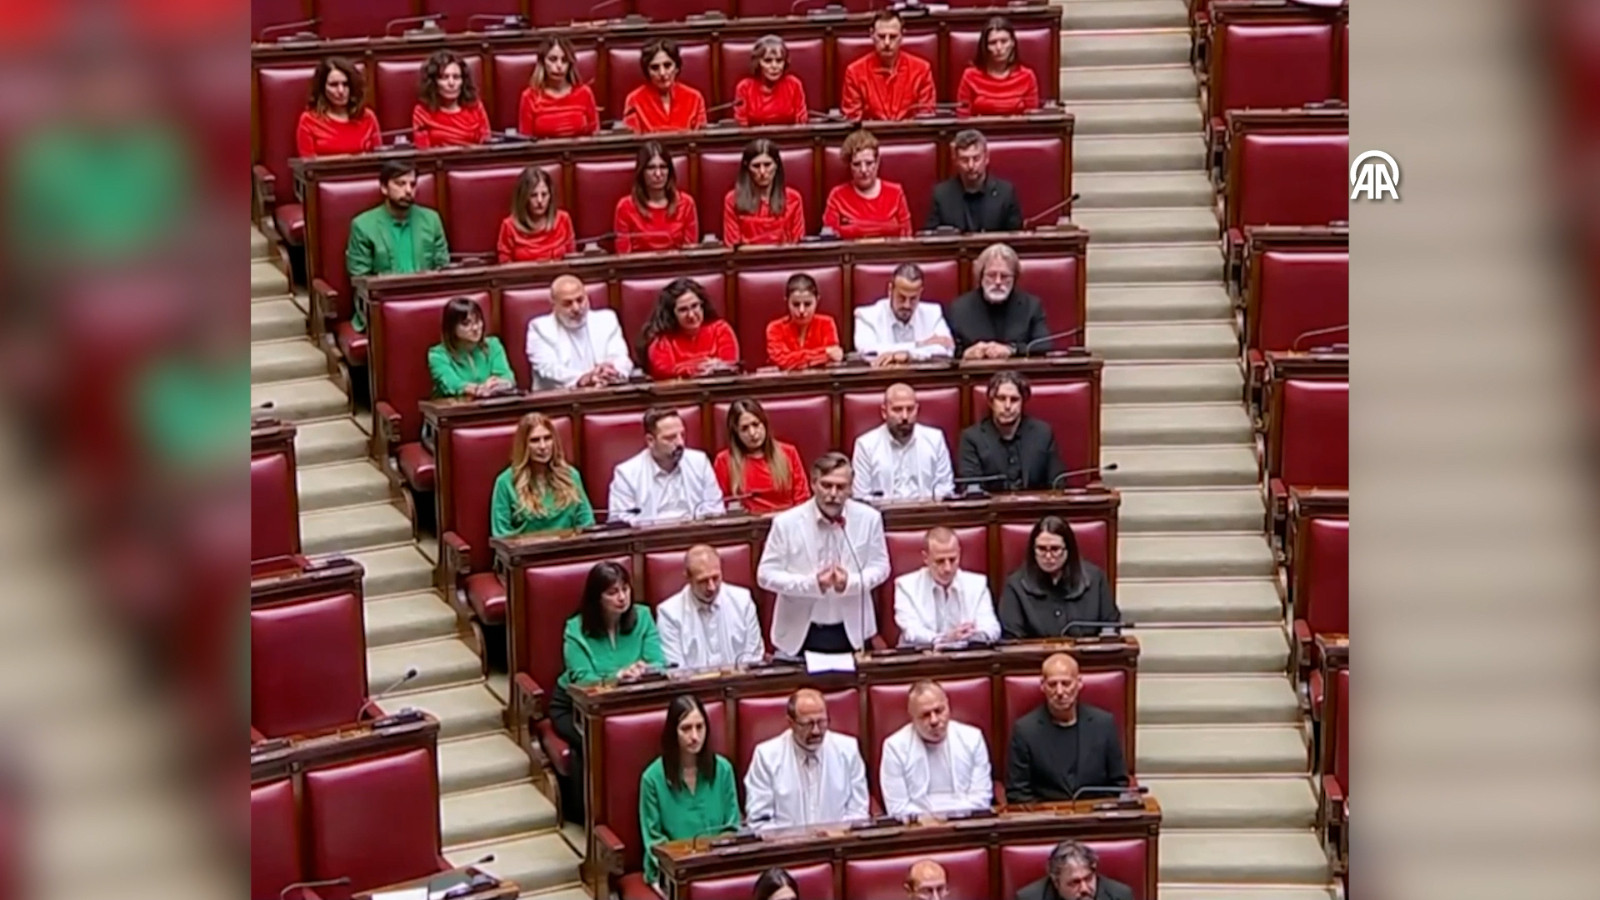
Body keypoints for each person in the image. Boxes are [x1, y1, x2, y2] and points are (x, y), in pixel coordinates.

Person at [550, 561, 665, 818]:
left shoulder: (643, 617)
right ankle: (593, 814)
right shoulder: (575, 630)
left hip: (631, 701)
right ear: (596, 598)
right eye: (612, 592)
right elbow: (583, 680)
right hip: (575, 707)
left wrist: (643, 671)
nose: (622, 597)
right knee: (594, 739)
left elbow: (658, 661)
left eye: (625, 589)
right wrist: (618, 676)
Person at [758, 453, 890, 655]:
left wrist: (851, 582)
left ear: (851, 487)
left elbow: (881, 567)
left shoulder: (869, 519)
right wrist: (811, 584)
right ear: (813, 483)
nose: (833, 494)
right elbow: (765, 575)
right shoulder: (786, 524)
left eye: (841, 487)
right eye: (826, 485)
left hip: (853, 631)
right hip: (799, 633)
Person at [639, 695, 741, 887]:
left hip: (717, 868)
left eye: (700, 727)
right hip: (672, 875)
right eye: (686, 728)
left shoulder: (723, 769)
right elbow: (654, 842)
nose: (694, 736)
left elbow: (732, 827)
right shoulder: (652, 779)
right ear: (672, 732)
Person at [1005, 654, 1128, 804]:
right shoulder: (1025, 730)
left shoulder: (1104, 724)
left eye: (1066, 683)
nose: (1060, 692)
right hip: (1047, 820)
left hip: (1095, 819)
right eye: (1052, 684)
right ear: (1042, 686)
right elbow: (1017, 793)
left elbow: (1119, 785)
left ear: (1079, 683)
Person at [345, 159, 448, 331]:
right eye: (400, 184)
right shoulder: (363, 225)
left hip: (427, 304)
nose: (408, 190)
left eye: (413, 184)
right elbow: (359, 278)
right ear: (384, 188)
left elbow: (443, 267)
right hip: (383, 309)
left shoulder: (432, 220)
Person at [744, 688, 869, 829]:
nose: (816, 731)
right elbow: (759, 821)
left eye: (821, 722)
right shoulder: (766, 757)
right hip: (785, 847)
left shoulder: (848, 750)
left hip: (838, 846)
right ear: (791, 723)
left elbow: (859, 813)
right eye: (808, 724)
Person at [879, 682, 993, 817]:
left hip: (966, 827)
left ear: (948, 706)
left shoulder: (972, 739)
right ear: (912, 717)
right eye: (925, 715)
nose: (934, 720)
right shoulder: (894, 748)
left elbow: (982, 799)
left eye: (939, 711)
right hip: (919, 832)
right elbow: (897, 808)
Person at [999, 517, 1117, 639]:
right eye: (1042, 549)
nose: (1048, 556)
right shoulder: (1015, 587)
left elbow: (1110, 625)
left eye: (1055, 549)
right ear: (1033, 550)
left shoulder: (1095, 579)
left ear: (1068, 550)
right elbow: (1012, 639)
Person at [655, 545, 766, 669]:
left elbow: (754, 656)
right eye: (703, 581)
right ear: (687, 578)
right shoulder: (669, 613)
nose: (711, 587)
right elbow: (676, 669)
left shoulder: (743, 601)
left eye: (716, 578)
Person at [608, 407, 724, 524]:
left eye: (682, 435)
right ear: (650, 441)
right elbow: (620, 521)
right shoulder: (626, 474)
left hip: (695, 536)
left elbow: (715, 509)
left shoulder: (699, 462)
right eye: (670, 438)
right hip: (650, 539)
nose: (680, 443)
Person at [956, 371, 1066, 492]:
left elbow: (1057, 484)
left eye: (1014, 400)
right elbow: (972, 490)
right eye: (1001, 399)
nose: (1007, 406)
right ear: (991, 402)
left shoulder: (1043, 434)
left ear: (1022, 402)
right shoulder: (972, 438)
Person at [490, 412, 596, 537]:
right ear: (524, 446)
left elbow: (587, 523)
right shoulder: (505, 482)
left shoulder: (571, 475)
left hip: (568, 552)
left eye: (547, 438)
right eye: (535, 440)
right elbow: (501, 534)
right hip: (525, 554)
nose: (543, 446)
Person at [892, 527, 1000, 646]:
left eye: (952, 560)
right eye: (940, 561)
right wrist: (945, 639)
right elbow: (912, 632)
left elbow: (992, 628)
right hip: (921, 661)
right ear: (925, 558)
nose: (947, 568)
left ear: (959, 553)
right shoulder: (906, 586)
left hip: (967, 659)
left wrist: (974, 634)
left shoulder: (977, 585)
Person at [525, 274, 632, 390]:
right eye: (567, 303)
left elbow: (621, 358)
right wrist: (583, 378)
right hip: (559, 401)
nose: (576, 308)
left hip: (604, 395)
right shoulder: (539, 328)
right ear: (554, 305)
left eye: (580, 300)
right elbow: (549, 369)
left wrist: (612, 370)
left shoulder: (607, 320)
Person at [850, 384, 954, 502]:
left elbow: (945, 487)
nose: (905, 416)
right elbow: (861, 495)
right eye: (897, 409)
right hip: (882, 515)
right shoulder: (865, 445)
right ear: (884, 412)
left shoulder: (935, 439)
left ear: (917, 409)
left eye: (910, 409)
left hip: (927, 514)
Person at [947, 243, 1052, 359]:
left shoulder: (1031, 306)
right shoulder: (959, 308)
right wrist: (966, 354)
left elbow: (1044, 345)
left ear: (1015, 278)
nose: (998, 282)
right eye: (991, 275)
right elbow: (949, 350)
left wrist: (1012, 350)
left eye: (1005, 276)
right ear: (981, 276)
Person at [712, 399, 811, 513]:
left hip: (788, 523)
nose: (752, 433)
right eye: (744, 428)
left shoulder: (789, 453)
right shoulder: (724, 461)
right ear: (736, 433)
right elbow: (720, 505)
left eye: (756, 424)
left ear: (764, 423)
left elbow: (802, 500)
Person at [840, 10, 936, 121]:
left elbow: (926, 117)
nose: (886, 43)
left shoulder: (921, 70)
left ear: (902, 35)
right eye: (881, 36)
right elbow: (853, 120)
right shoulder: (854, 72)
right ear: (871, 34)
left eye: (893, 37)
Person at [852, 264, 955, 365]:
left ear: (920, 292)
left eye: (913, 298)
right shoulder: (866, 316)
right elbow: (868, 352)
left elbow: (946, 349)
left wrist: (908, 355)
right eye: (902, 298)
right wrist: (920, 345)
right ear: (890, 290)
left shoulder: (933, 313)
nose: (907, 305)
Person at [639, 278, 740, 378]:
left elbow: (729, 366)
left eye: (695, 306)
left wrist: (683, 367)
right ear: (671, 314)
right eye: (683, 310)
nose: (691, 315)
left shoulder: (721, 329)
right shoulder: (661, 340)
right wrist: (702, 366)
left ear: (702, 306)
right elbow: (664, 372)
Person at [925, 130, 1023, 233]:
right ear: (956, 161)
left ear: (986, 158)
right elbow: (931, 238)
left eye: (976, 159)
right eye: (964, 160)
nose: (971, 166)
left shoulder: (1005, 192)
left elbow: (1015, 239)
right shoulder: (941, 194)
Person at [823, 130, 913, 240]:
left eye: (869, 163)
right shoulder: (837, 196)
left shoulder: (895, 193)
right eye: (857, 164)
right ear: (849, 165)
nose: (863, 170)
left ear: (878, 162)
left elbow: (907, 238)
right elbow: (830, 240)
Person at [615, 141, 700, 253]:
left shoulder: (686, 203)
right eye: (651, 168)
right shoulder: (625, 207)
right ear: (641, 172)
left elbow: (690, 254)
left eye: (663, 167)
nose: (658, 174)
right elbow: (623, 257)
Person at [427, 296, 515, 398]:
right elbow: (451, 384)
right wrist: (478, 389)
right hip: (454, 410)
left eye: (478, 321)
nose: (475, 328)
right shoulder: (437, 355)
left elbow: (507, 376)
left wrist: (499, 383)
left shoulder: (493, 345)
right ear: (451, 327)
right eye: (466, 324)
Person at [724, 139, 806, 246]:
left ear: (776, 165)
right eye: (756, 166)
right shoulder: (733, 200)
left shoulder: (794, 199)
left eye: (767, 165)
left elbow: (798, 245)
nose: (762, 172)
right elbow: (732, 247)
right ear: (747, 167)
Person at [956, 18, 1041, 118]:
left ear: (1012, 43)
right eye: (993, 43)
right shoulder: (970, 76)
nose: (999, 48)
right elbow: (962, 116)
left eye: (1004, 41)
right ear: (984, 46)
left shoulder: (1027, 76)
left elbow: (1032, 118)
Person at [296, 57, 379, 157]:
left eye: (345, 84)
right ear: (322, 88)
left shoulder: (367, 117)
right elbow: (307, 164)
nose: (340, 91)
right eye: (333, 85)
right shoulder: (309, 120)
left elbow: (378, 158)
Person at [518, 36, 600, 138]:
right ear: (542, 62)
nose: (559, 65)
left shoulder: (584, 93)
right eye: (553, 59)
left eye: (564, 60)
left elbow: (595, 135)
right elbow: (526, 141)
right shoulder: (529, 97)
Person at [623, 39, 708, 133]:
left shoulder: (695, 98)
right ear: (647, 71)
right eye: (655, 68)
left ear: (677, 68)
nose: (662, 73)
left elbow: (701, 141)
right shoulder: (634, 100)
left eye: (667, 65)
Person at [411, 49, 490, 148]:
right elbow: (423, 152)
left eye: (456, 77)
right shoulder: (422, 112)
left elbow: (486, 144)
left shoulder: (475, 107)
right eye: (444, 77)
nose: (451, 83)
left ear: (463, 81)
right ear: (434, 82)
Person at [497, 166, 576, 263]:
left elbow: (572, 260)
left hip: (559, 277)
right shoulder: (509, 226)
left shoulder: (563, 219)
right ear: (523, 198)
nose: (539, 201)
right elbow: (505, 268)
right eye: (533, 195)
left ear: (550, 196)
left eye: (544, 194)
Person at [764, 274, 842, 370]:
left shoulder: (827, 323)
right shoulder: (774, 328)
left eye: (807, 304)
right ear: (786, 301)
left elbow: (834, 358)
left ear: (817, 300)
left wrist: (795, 358)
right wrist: (824, 352)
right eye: (796, 304)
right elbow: (782, 361)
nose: (801, 310)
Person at [1014, 840, 1133, 900]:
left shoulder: (1120, 896)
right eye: (1074, 882)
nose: (1084, 889)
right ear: (1056, 882)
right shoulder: (1029, 898)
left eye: (1088, 878)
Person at [734, 35, 809, 127]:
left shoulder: (794, 84)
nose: (774, 66)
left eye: (779, 60)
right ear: (758, 63)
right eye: (768, 61)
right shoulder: (745, 87)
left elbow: (802, 123)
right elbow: (741, 125)